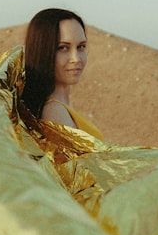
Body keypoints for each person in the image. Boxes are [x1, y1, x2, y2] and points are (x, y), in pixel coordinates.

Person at [22, 8, 103, 139]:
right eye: (63, 48)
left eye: (81, 46)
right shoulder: (53, 111)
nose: (76, 58)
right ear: (42, 51)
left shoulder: (61, 106)